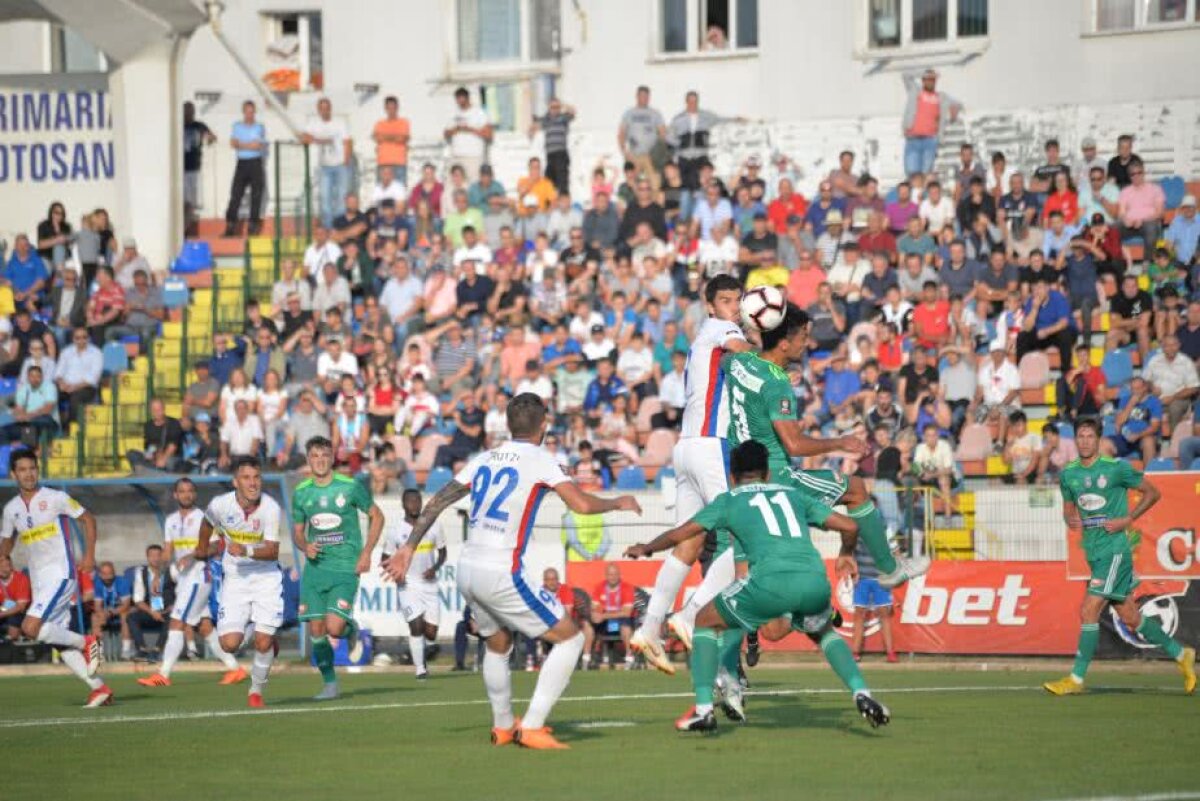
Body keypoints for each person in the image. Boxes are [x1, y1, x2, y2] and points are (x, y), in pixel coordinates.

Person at [383, 392, 642, 749]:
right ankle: (532, 726)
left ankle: (503, 725)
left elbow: (439, 500)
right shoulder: (541, 459)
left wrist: (409, 546)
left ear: (507, 425)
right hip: (500, 569)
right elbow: (581, 504)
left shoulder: (484, 458)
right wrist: (617, 502)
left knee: (499, 644)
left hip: (467, 569)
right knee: (572, 639)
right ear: (545, 425)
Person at [625, 440, 891, 731]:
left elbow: (683, 532)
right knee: (824, 633)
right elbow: (850, 526)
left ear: (732, 477)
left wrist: (647, 547)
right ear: (767, 474)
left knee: (704, 621)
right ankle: (862, 693)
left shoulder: (729, 500)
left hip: (770, 581)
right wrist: (846, 554)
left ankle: (703, 710)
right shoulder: (793, 494)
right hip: (814, 578)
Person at [1045, 418, 1195, 696]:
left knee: (1088, 610)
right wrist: (1070, 519)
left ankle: (1076, 679)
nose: (1085, 441)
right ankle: (1180, 653)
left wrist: (1128, 518)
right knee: (1130, 615)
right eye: (1081, 436)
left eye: (1090, 436)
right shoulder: (1069, 474)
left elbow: (1153, 492)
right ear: (1075, 439)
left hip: (1115, 550)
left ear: (1099, 439)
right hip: (1094, 551)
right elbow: (1068, 508)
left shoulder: (1116, 469)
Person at [0, 451, 109, 706]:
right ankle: (100, 689)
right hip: (39, 580)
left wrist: (89, 556)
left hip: (61, 574)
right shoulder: (11, 510)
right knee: (56, 640)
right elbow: (6, 543)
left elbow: (88, 519)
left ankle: (89, 641)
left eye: (32, 468)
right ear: (13, 474)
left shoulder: (55, 498)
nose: (29, 474)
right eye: (23, 470)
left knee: (30, 628)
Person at [291, 437, 383, 699]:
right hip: (315, 570)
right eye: (314, 455)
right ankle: (330, 684)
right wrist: (304, 545)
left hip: (345, 567)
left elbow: (377, 515)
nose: (319, 460)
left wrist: (366, 553)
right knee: (317, 632)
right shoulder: (301, 492)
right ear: (308, 459)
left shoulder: (350, 486)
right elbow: (298, 532)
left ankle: (351, 630)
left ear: (332, 458)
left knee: (334, 628)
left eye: (324, 455)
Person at [195, 457, 284, 708]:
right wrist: (201, 547)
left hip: (266, 578)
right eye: (246, 478)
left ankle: (255, 691)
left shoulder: (270, 508)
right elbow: (207, 522)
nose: (253, 483)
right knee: (229, 645)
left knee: (263, 643)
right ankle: (261, 634)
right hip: (235, 579)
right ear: (236, 481)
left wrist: (246, 551)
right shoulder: (220, 504)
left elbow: (273, 551)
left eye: (256, 477)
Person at [138, 478, 245, 687]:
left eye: (190, 491)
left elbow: (216, 547)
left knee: (177, 622)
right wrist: (158, 575)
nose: (186, 495)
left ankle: (163, 673)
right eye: (182, 491)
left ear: (194, 495)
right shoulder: (170, 521)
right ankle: (235, 669)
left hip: (199, 576)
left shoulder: (204, 518)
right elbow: (167, 552)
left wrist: (195, 555)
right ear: (175, 495)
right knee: (204, 627)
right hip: (184, 580)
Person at [381, 489, 446, 680]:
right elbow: (385, 558)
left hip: (430, 585)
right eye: (410, 501)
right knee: (416, 626)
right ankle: (420, 669)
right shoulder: (395, 530)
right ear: (403, 504)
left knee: (431, 634)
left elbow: (443, 553)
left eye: (417, 501)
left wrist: (435, 567)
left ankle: (424, 651)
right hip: (407, 585)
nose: (415, 505)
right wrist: (396, 575)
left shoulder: (433, 526)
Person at [301, 97, 353, 228]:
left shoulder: (339, 123)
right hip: (325, 167)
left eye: (327, 108)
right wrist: (317, 140)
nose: (324, 111)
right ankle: (328, 229)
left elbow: (347, 142)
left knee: (341, 199)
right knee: (325, 199)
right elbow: (304, 138)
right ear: (318, 110)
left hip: (341, 165)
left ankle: (340, 228)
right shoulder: (313, 124)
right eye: (322, 108)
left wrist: (346, 161)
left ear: (330, 109)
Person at [901, 68, 961, 178]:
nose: (930, 82)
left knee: (926, 173)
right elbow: (905, 75)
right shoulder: (915, 90)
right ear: (923, 80)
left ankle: (922, 194)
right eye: (927, 79)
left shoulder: (941, 97)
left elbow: (957, 103)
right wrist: (923, 73)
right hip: (913, 138)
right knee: (911, 172)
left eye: (932, 80)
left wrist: (954, 111)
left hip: (930, 140)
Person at [849, 531, 897, 663]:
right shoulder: (856, 532)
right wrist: (853, 572)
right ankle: (855, 653)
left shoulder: (886, 531)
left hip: (881, 580)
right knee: (859, 614)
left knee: (884, 614)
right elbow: (850, 553)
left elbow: (896, 553)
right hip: (862, 580)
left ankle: (890, 653)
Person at [224, 100, 267, 237]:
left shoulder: (259, 127)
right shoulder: (237, 126)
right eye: (247, 111)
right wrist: (248, 145)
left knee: (256, 195)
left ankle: (253, 226)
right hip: (242, 163)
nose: (249, 114)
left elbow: (257, 146)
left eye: (252, 111)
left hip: (255, 162)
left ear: (254, 112)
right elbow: (233, 143)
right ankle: (231, 225)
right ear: (243, 112)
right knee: (235, 194)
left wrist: (241, 144)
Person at [1018, 277, 1074, 372]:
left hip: (1057, 332)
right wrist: (1035, 308)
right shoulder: (1031, 301)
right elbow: (1027, 327)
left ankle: (1066, 372)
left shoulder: (1058, 298)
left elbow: (1063, 323)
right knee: (1022, 336)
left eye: (1040, 288)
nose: (1037, 291)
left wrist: (1047, 331)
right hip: (1040, 335)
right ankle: (1022, 371)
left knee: (1065, 334)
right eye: (1034, 289)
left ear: (1047, 288)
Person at [590, 563, 637, 669]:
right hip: (605, 622)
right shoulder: (599, 587)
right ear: (606, 575)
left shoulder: (627, 588)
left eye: (615, 574)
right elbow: (594, 608)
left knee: (626, 627)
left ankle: (629, 658)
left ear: (619, 575)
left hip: (622, 620)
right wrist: (595, 615)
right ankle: (589, 658)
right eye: (610, 574)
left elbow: (627, 612)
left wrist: (603, 615)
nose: (613, 577)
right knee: (589, 626)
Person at [55, 327, 102, 426]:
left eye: (84, 337)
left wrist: (75, 387)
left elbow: (93, 378)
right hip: (66, 385)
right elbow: (59, 372)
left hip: (86, 387)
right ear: (73, 339)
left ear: (88, 338)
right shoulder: (66, 352)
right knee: (51, 393)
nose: (81, 340)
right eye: (78, 338)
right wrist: (62, 384)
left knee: (75, 399)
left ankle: (71, 428)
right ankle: (53, 425)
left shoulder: (96, 353)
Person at [1117, 160, 1165, 256]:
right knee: (1112, 228)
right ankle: (1116, 262)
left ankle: (1147, 263)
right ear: (1129, 176)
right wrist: (1126, 220)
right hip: (1130, 225)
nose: (1136, 176)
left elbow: (1160, 213)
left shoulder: (1155, 189)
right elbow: (1121, 213)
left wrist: (1142, 220)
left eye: (1139, 172)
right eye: (1133, 174)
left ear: (1144, 173)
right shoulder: (1125, 191)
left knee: (1151, 227)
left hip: (1148, 223)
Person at [444, 87, 492, 181]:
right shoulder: (454, 114)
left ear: (467, 98)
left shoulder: (479, 113)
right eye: (457, 99)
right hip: (456, 155)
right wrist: (456, 129)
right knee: (455, 183)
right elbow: (446, 133)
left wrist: (469, 129)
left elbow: (488, 134)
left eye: (461, 98)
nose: (459, 102)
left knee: (473, 182)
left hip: (473, 156)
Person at [530, 96, 575, 196]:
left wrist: (562, 104)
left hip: (561, 154)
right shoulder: (546, 119)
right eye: (552, 107)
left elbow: (573, 111)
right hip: (550, 155)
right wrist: (531, 131)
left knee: (562, 182)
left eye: (556, 107)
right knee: (549, 182)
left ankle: (564, 202)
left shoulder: (563, 117)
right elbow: (534, 125)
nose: (554, 109)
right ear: (549, 108)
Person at [183, 101, 216, 227]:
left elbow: (211, 137)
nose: (188, 114)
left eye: (190, 112)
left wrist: (209, 139)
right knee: (182, 200)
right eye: (186, 112)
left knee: (191, 201)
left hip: (194, 168)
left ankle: (187, 225)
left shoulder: (198, 126)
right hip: (179, 170)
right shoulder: (177, 125)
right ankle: (184, 227)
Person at [372, 95, 411, 185]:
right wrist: (395, 137)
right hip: (383, 163)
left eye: (393, 107)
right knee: (382, 196)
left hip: (399, 163)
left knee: (399, 195)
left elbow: (403, 139)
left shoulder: (404, 122)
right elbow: (377, 138)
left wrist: (385, 137)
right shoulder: (379, 123)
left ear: (397, 107)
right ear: (385, 108)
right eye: (389, 107)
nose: (391, 110)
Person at [0, 554, 32, 641]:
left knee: (14, 621)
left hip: (21, 610)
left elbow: (20, 607)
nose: (3, 568)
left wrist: (1, 614)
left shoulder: (21, 579)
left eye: (5, 565)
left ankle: (16, 637)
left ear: (11, 565)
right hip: (5, 607)